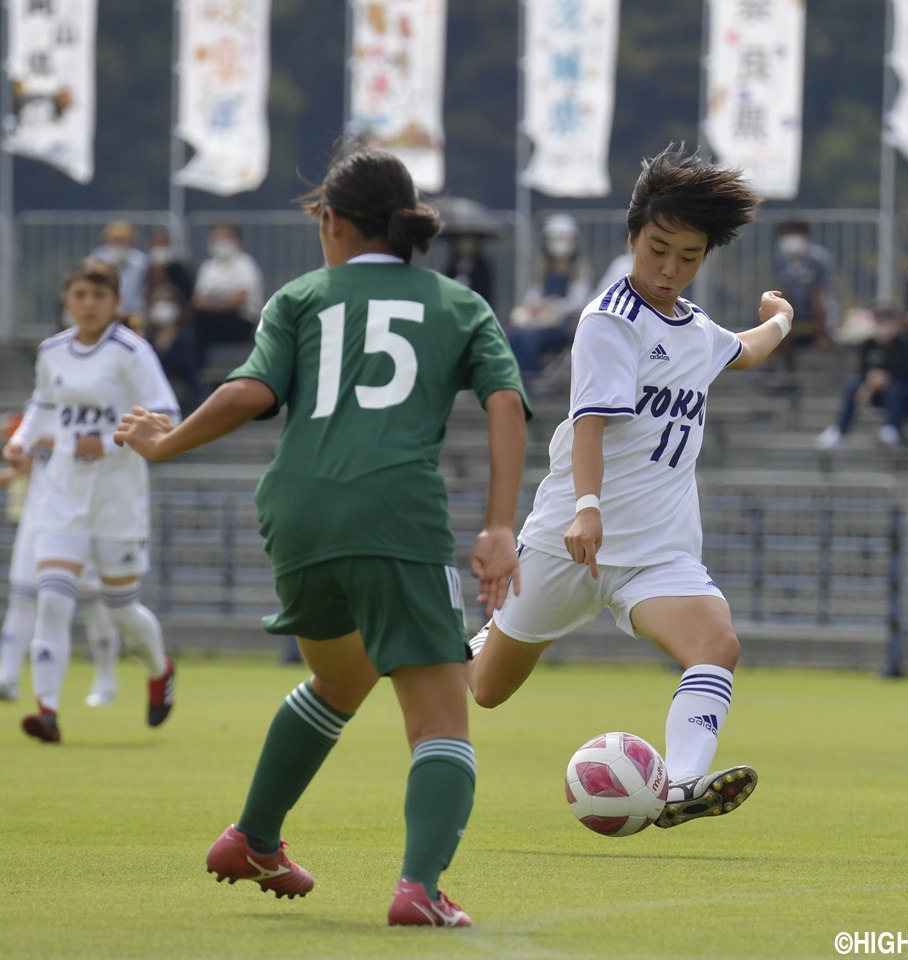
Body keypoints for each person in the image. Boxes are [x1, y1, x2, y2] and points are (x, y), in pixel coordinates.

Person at [114, 147, 528, 927]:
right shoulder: (457, 303)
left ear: (332, 223)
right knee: (441, 719)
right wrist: (500, 524)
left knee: (341, 681)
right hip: (394, 516)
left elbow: (250, 391)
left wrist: (166, 443)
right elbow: (505, 402)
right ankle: (420, 890)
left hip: (298, 515)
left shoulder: (301, 297)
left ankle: (252, 838)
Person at [466, 145, 791, 829]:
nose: (670, 269)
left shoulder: (695, 329)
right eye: (657, 250)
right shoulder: (611, 319)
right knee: (486, 688)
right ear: (632, 238)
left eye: (689, 256)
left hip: (656, 555)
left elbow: (747, 347)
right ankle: (457, 629)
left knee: (716, 645)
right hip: (574, 542)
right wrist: (586, 510)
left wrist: (780, 316)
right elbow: (588, 426)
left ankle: (680, 787)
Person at [2, 260, 179, 743]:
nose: (88, 304)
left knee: (122, 608)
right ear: (67, 299)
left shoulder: (131, 351)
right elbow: (43, 404)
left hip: (117, 496)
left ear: (116, 303)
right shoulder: (52, 351)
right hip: (62, 494)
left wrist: (106, 439)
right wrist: (23, 441)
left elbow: (167, 411)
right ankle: (48, 712)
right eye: (79, 294)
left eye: (98, 296)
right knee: (52, 600)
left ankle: (159, 668)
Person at [0, 413, 121, 707]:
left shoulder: (89, 396)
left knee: (94, 601)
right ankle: (7, 677)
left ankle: (106, 679)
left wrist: (34, 439)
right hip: (40, 514)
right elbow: (32, 462)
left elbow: (93, 446)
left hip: (84, 512)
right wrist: (17, 456)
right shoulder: (41, 402)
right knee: (23, 596)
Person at [816, 304, 908, 450]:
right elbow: (864, 373)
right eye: (880, 321)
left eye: (888, 321)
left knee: (894, 388)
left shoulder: (905, 344)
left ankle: (892, 430)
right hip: (876, 393)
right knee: (853, 385)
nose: (884, 326)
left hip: (907, 395)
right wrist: (869, 387)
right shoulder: (867, 345)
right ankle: (839, 431)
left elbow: (905, 374)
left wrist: (877, 383)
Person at [507, 213, 593, 383]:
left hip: (563, 325)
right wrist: (537, 307)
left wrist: (554, 307)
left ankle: (529, 383)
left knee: (528, 338)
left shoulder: (579, 268)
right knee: (515, 335)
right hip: (540, 321)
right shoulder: (542, 267)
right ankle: (516, 382)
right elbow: (532, 296)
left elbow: (577, 301)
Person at [772, 219, 834, 374]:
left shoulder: (818, 260)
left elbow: (819, 295)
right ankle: (780, 374)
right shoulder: (781, 259)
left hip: (816, 314)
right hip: (793, 313)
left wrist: (821, 330)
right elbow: (782, 291)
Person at [191, 223, 265, 351]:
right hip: (211, 319)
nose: (221, 242)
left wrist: (213, 303)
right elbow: (199, 299)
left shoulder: (245, 264)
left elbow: (241, 298)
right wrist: (223, 302)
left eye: (226, 237)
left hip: (240, 319)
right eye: (217, 238)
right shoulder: (208, 267)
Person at [145, 282, 205, 414]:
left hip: (179, 392)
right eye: (158, 301)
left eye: (167, 301)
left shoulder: (187, 338)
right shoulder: (146, 340)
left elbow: (192, 373)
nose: (162, 306)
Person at [89, 221, 150, 316]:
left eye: (124, 240)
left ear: (131, 242)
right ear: (106, 241)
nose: (119, 245)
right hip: (101, 313)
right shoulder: (94, 262)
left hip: (134, 314)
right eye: (116, 240)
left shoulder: (142, 263)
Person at [145, 226, 195, 306]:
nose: (160, 247)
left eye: (163, 243)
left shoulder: (179, 269)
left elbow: (188, 294)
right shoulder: (146, 269)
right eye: (157, 243)